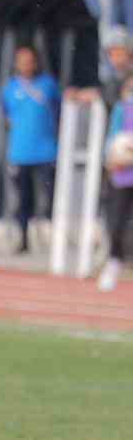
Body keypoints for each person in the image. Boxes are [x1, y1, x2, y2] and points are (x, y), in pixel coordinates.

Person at [0, 44, 60, 255]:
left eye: (29, 60)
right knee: (24, 199)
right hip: (20, 152)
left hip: (46, 151)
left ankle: (55, 237)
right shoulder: (10, 88)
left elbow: (58, 109)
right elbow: (6, 115)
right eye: (21, 60)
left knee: (52, 196)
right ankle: (24, 239)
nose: (26, 64)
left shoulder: (48, 85)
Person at [99, 69, 133, 292]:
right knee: (117, 222)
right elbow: (112, 138)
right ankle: (114, 262)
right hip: (123, 175)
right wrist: (110, 160)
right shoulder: (122, 109)